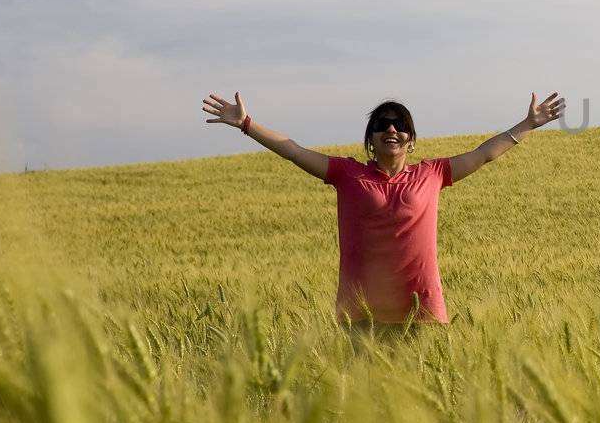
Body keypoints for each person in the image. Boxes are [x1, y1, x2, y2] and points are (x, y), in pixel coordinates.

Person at [200, 90, 565, 327]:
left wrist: (529, 124)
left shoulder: (433, 173)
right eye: (382, 124)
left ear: (411, 139)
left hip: (422, 314)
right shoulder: (347, 174)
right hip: (362, 316)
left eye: (400, 125)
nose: (391, 129)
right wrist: (247, 124)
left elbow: (484, 154)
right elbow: (293, 150)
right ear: (370, 140)